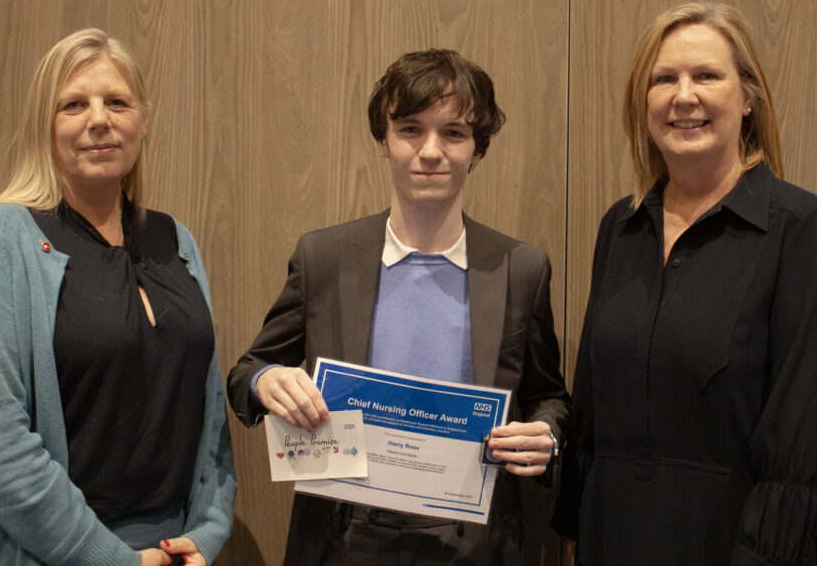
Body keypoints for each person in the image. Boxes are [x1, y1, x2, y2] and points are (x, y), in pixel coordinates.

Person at [228, 49, 570, 564]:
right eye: (411, 129)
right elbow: (247, 371)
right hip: (342, 537)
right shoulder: (324, 257)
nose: (430, 151)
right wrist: (263, 383)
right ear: (383, 140)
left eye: (454, 132)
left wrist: (547, 435)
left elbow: (550, 396)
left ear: (477, 150)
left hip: (471, 538)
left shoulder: (521, 269)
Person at [553, 2, 817, 564]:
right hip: (614, 538)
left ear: (747, 98)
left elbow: (800, 446)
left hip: (737, 547)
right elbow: (594, 413)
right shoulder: (620, 229)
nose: (683, 96)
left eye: (706, 76)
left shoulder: (802, 232)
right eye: (664, 78)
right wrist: (574, 531)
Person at [0, 29, 236, 566]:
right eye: (74, 104)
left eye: (116, 102)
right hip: (40, 552)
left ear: (142, 121)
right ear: (45, 126)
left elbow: (208, 411)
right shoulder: (1, 240)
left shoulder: (177, 241)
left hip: (168, 550)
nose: (98, 118)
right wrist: (108, 558)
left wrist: (209, 529)